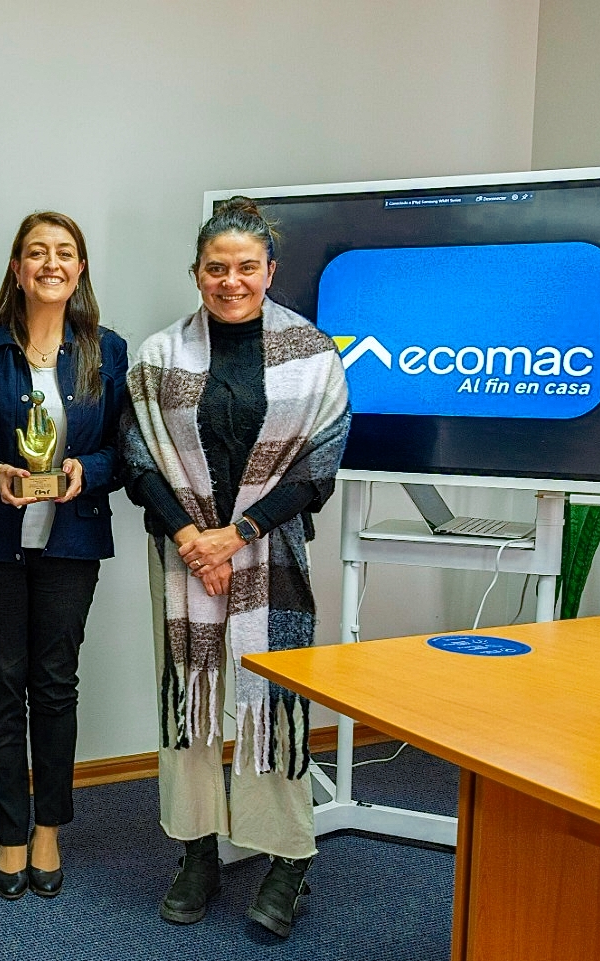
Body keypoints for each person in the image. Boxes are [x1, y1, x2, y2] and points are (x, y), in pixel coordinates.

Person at [120, 196, 350, 939]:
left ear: (269, 271)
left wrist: (237, 533)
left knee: (271, 709)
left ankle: (287, 858)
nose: (231, 280)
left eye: (246, 267)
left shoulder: (314, 353)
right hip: (184, 557)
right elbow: (136, 457)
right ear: (196, 273)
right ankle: (195, 851)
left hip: (270, 557)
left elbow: (319, 468)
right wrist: (194, 536)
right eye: (216, 268)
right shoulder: (160, 356)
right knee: (188, 707)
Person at [0, 211, 128, 900]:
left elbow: (124, 453)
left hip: (71, 543)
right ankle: (9, 835)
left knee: (54, 685)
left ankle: (49, 828)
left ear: (80, 269)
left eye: (65, 252)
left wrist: (86, 473)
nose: (51, 263)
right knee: (1, 685)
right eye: (37, 252)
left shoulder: (108, 350)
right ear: (17, 268)